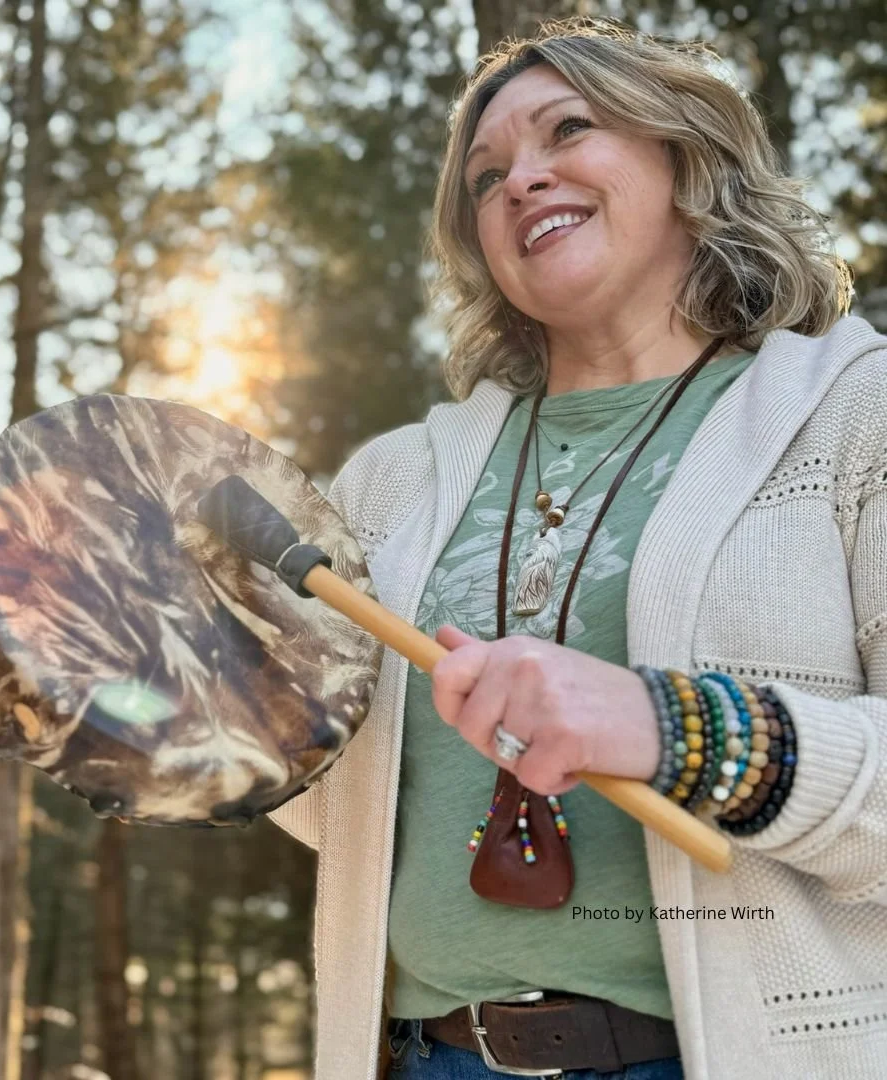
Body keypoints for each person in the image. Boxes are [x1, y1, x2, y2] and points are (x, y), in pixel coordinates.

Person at [268, 15, 887, 1080]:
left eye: (568, 131)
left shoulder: (855, 416)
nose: (522, 181)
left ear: (685, 156)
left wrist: (676, 729)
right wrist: (180, 711)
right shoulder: (391, 480)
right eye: (486, 176)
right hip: (431, 1058)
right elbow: (342, 808)